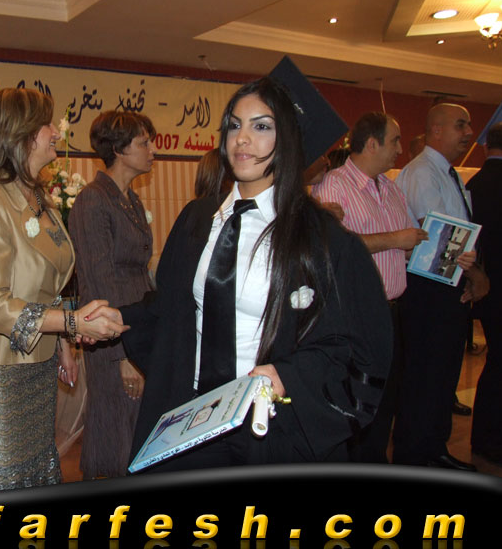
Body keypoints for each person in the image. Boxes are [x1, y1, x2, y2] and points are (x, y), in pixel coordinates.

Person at [92, 77, 393, 471]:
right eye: (234, 125)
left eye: (261, 126)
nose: (242, 139)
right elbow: (171, 309)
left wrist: (288, 375)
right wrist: (120, 317)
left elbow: (354, 343)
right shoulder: (197, 220)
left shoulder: (321, 241)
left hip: (268, 426)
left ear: (288, 139)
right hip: (192, 417)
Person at [0, 88, 127, 494]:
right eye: (46, 125)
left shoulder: (39, 198)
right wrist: (73, 322)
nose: (55, 133)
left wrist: (63, 343)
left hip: (37, 363)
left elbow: (49, 282)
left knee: (32, 469)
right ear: (21, 134)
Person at [311, 111, 428, 463]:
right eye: (394, 141)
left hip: (392, 312)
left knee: (386, 401)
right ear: (372, 143)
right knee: (358, 405)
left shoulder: (391, 188)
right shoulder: (334, 186)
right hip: (356, 315)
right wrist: (394, 239)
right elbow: (331, 248)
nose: (400, 150)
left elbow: (410, 241)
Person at [392, 102, 489, 470]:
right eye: (460, 125)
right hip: (428, 287)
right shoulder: (422, 173)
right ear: (436, 130)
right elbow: (439, 238)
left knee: (442, 376)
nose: (469, 133)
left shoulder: (447, 173)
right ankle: (416, 456)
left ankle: (434, 449)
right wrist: (477, 276)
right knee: (425, 376)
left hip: (447, 284)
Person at [67, 110, 157, 479]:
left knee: (137, 430)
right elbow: (97, 282)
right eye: (144, 143)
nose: (152, 150)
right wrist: (122, 355)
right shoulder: (93, 200)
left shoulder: (130, 200)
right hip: (111, 338)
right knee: (115, 430)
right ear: (118, 150)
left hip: (137, 325)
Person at [467, 120, 502, 465]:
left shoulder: (474, 183)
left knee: (497, 362)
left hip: (483, 283)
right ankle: (493, 439)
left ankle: (485, 437)